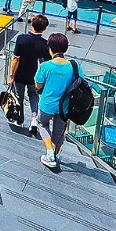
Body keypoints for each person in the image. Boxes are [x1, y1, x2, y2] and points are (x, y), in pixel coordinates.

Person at [34, 32, 75, 169]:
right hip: (64, 107)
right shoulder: (74, 66)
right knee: (59, 132)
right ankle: (56, 155)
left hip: (47, 104)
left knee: (41, 123)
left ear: (50, 48)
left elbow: (38, 85)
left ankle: (49, 153)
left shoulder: (45, 66)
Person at [9, 15, 50, 134]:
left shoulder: (21, 39)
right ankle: (33, 119)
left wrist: (12, 76)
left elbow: (16, 59)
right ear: (44, 28)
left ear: (32, 24)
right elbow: (45, 62)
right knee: (34, 96)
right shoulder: (44, 44)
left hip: (20, 74)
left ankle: (19, 119)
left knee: (19, 98)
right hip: (34, 76)